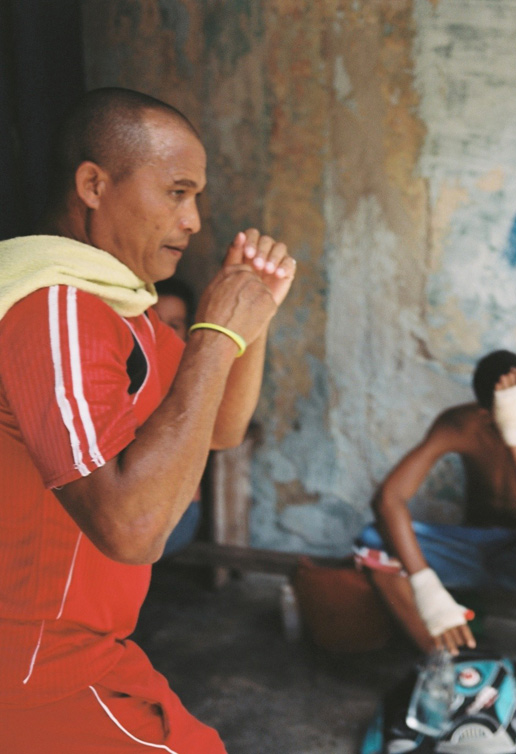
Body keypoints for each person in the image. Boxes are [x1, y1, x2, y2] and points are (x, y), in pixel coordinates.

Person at [0, 87, 296, 753]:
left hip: (87, 649)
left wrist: (252, 322)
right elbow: (130, 529)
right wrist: (217, 335)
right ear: (94, 184)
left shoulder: (115, 307)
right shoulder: (51, 309)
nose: (193, 220)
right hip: (38, 665)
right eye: (177, 192)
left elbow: (217, 427)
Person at [354, 350, 516, 753]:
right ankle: (441, 664)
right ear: (485, 415)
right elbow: (389, 499)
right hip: (466, 549)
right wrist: (426, 586)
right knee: (372, 541)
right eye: (515, 409)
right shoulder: (462, 425)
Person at [152, 276, 204, 557]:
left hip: (178, 515)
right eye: (152, 321)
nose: (161, 332)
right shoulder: (120, 368)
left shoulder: (190, 377)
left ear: (187, 331)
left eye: (173, 325)